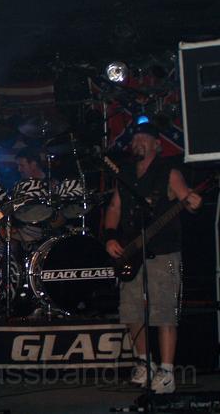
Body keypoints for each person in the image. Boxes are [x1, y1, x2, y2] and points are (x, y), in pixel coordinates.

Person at [103, 123, 201, 394]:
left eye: (144, 138)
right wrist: (110, 236)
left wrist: (193, 202)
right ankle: (144, 362)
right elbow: (114, 207)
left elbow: (186, 197)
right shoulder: (124, 174)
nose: (138, 142)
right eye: (135, 138)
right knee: (131, 311)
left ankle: (166, 372)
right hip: (132, 251)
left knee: (164, 312)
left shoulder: (169, 172)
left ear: (157, 145)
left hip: (163, 252)